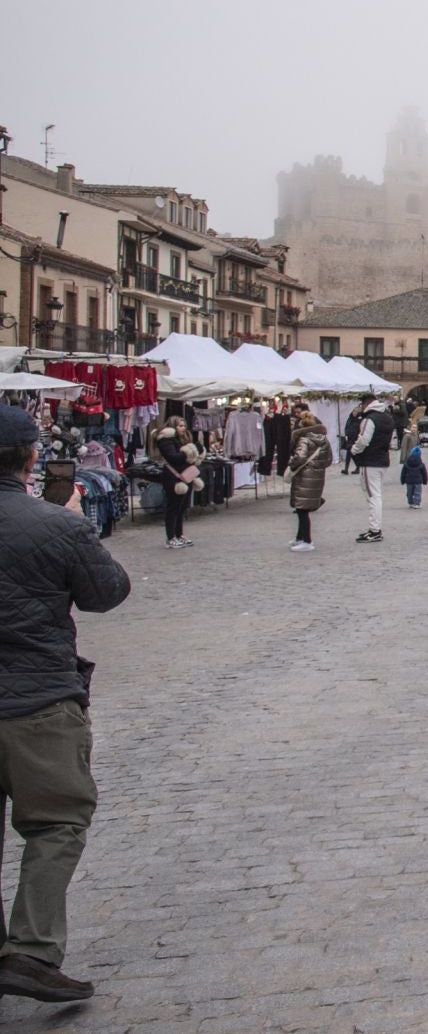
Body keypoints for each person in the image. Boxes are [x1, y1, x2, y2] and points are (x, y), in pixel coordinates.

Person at [0, 404, 132, 1003]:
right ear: (31, 457)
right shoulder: (55, 523)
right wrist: (76, 526)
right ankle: (30, 950)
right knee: (56, 821)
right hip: (36, 699)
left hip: (34, 692)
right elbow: (106, 594)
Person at [347, 395, 396, 544]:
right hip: (382, 460)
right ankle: (374, 529)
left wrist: (354, 450)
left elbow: (364, 440)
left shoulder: (369, 419)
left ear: (366, 403)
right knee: (376, 495)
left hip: (370, 461)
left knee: (373, 496)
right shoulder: (387, 417)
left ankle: (375, 530)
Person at [153, 416, 203, 550]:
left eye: (184, 425)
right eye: (180, 425)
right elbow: (174, 458)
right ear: (173, 426)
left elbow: (189, 459)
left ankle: (179, 534)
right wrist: (189, 451)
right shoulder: (165, 440)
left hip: (186, 476)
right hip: (173, 477)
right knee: (173, 508)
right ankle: (171, 537)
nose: (183, 428)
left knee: (182, 508)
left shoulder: (183, 439)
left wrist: (196, 451)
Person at [286, 410, 333, 550]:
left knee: (302, 510)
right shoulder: (323, 438)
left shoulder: (304, 439)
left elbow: (300, 457)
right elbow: (328, 459)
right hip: (317, 476)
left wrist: (291, 463)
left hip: (304, 476)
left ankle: (307, 541)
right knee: (303, 509)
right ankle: (300, 537)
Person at [399, 439, 428, 509]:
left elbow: (403, 473)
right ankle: (417, 503)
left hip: (409, 481)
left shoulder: (406, 463)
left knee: (409, 492)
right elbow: (424, 473)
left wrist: (402, 480)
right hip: (418, 481)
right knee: (417, 492)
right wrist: (425, 481)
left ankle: (410, 502)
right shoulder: (421, 464)